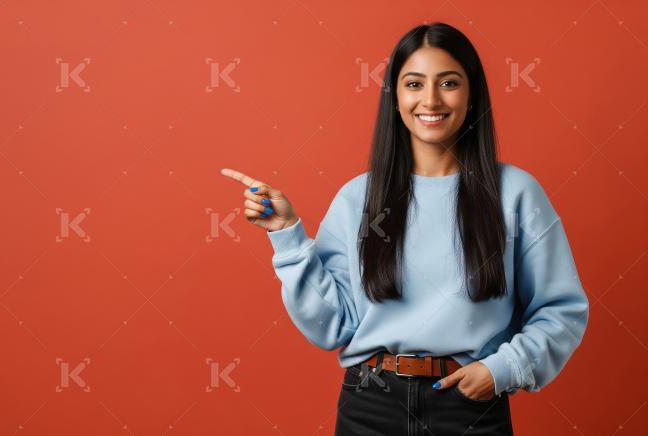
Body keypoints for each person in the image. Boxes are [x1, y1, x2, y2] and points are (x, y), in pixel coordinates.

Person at [221, 21, 589, 436]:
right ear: (395, 99)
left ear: (472, 96)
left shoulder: (516, 193)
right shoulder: (357, 198)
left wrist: (503, 369)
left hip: (469, 410)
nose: (430, 99)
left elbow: (562, 310)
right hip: (370, 405)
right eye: (414, 84)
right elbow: (331, 326)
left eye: (448, 82)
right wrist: (286, 232)